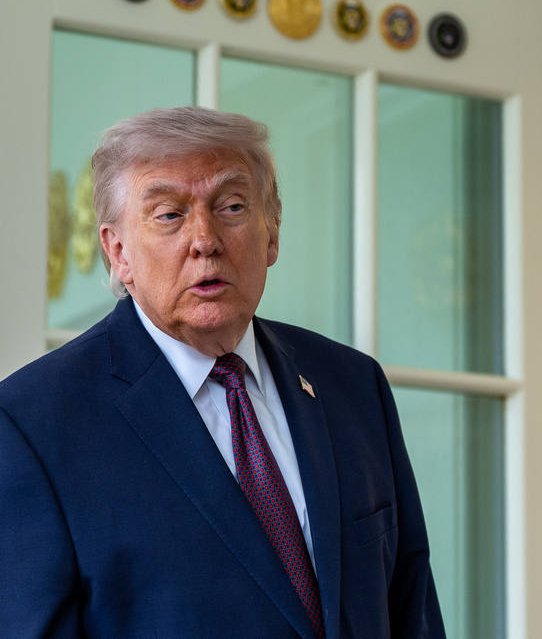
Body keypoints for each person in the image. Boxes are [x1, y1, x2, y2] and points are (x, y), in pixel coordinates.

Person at [0, 106, 446, 638]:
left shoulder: (353, 385)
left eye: (232, 206)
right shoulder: (30, 423)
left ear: (272, 230)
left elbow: (410, 607)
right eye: (169, 215)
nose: (205, 239)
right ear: (117, 252)